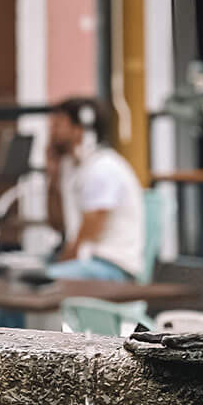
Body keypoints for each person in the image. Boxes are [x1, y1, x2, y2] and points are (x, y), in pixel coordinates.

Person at [45, 97, 146, 283]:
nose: (51, 132)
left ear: (79, 130)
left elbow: (90, 233)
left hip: (112, 268)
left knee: (36, 284)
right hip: (86, 262)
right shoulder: (72, 167)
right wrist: (52, 175)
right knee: (14, 279)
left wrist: (59, 266)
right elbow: (56, 224)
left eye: (58, 124)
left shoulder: (102, 168)